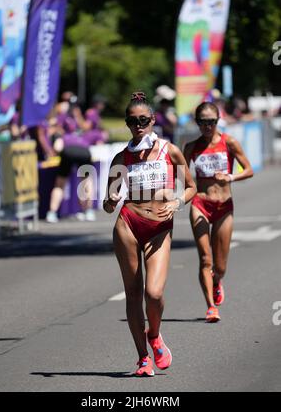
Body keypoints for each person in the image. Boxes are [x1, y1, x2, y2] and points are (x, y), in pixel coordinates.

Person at [103, 92, 196, 376]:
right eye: (132, 121)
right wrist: (110, 200)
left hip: (159, 227)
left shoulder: (170, 151)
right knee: (133, 294)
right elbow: (108, 204)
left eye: (143, 120)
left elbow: (190, 186)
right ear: (128, 124)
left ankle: (154, 334)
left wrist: (177, 202)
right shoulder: (121, 157)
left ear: (153, 121)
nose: (138, 125)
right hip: (128, 224)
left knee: (153, 293)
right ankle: (143, 358)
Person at [184, 102, 253, 323]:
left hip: (224, 206)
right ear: (197, 123)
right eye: (203, 122)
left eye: (212, 122)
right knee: (205, 259)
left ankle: (217, 281)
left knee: (220, 266)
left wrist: (230, 177)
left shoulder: (229, 142)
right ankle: (211, 308)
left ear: (218, 121)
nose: (207, 126)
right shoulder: (191, 147)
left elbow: (248, 170)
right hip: (201, 204)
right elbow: (181, 175)